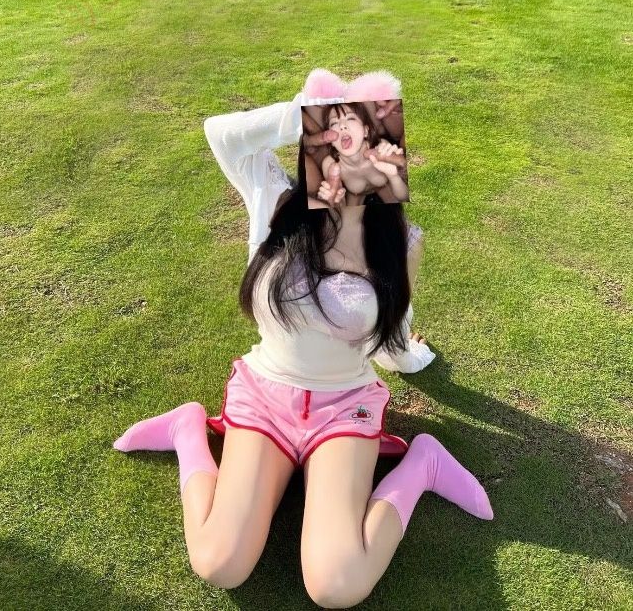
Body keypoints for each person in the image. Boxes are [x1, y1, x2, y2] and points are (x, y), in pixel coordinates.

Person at [112, 69, 493, 607]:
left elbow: (391, 326)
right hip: (264, 397)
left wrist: (410, 356)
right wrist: (302, 115)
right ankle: (187, 430)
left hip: (343, 408)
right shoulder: (277, 201)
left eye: (365, 144)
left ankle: (424, 463)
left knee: (337, 585)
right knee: (219, 563)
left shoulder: (399, 241)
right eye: (337, 142)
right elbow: (220, 133)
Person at [314, 101, 409, 207]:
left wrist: (394, 176)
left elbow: (405, 197)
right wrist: (334, 199)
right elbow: (338, 202)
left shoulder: (381, 148)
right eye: (334, 123)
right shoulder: (330, 165)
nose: (342, 125)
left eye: (350, 118)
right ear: (330, 141)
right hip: (356, 195)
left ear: (365, 131)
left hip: (384, 186)